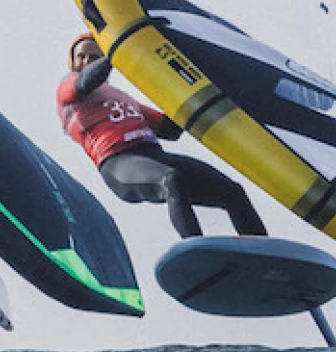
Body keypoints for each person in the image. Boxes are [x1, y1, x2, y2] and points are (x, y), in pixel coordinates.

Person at [58, 32, 266, 238]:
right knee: (172, 180)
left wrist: (198, 92)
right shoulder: (68, 87)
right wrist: (116, 49)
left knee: (232, 192)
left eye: (94, 57)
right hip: (119, 162)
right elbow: (86, 81)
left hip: (155, 156)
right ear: (72, 62)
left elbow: (170, 129)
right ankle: (197, 248)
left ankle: (263, 250)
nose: (86, 61)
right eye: (81, 57)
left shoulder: (121, 97)